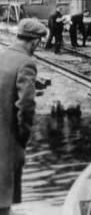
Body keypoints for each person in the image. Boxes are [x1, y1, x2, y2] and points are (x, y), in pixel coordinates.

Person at [0, 18, 47, 215]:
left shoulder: (3, 56)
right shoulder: (26, 63)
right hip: (8, 145)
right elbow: (26, 106)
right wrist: (23, 138)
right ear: (34, 41)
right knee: (3, 203)